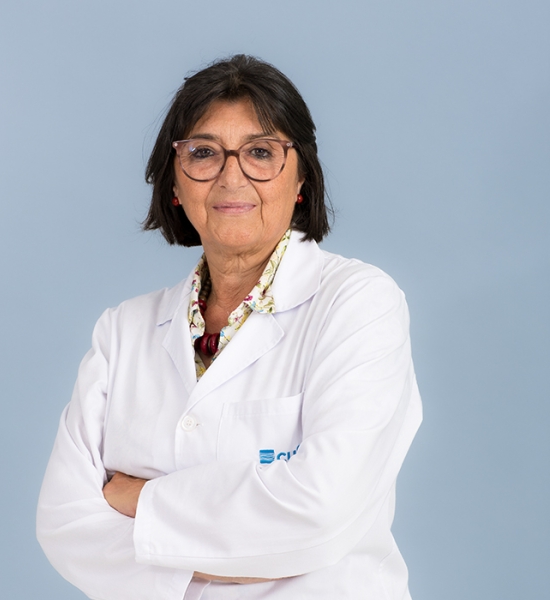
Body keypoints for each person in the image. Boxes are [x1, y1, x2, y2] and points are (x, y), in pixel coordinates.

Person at [37, 54, 422, 600]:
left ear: (301, 178)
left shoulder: (359, 304)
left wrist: (139, 500)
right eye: (203, 153)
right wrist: (253, 550)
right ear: (174, 182)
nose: (232, 176)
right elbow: (65, 525)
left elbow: (321, 514)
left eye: (261, 152)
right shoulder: (122, 331)